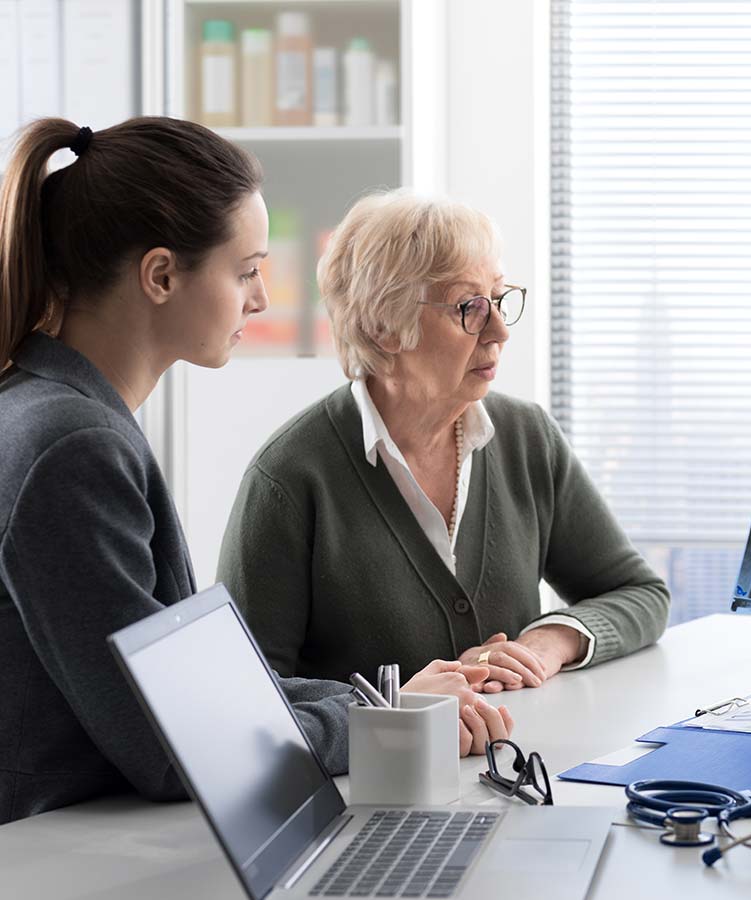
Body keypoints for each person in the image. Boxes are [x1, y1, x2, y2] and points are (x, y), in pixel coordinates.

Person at [0, 119, 503, 825]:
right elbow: (181, 749)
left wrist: (385, 703)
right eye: (245, 271)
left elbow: (200, 689)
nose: (261, 298)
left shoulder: (64, 413)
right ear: (162, 276)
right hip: (65, 858)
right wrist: (385, 722)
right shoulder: (73, 445)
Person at [217, 190, 669, 721]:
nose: (499, 330)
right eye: (469, 308)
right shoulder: (289, 479)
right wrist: (399, 707)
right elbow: (244, 697)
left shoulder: (528, 438)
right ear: (382, 326)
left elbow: (640, 593)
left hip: (526, 770)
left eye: (499, 299)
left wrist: (550, 641)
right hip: (373, 794)